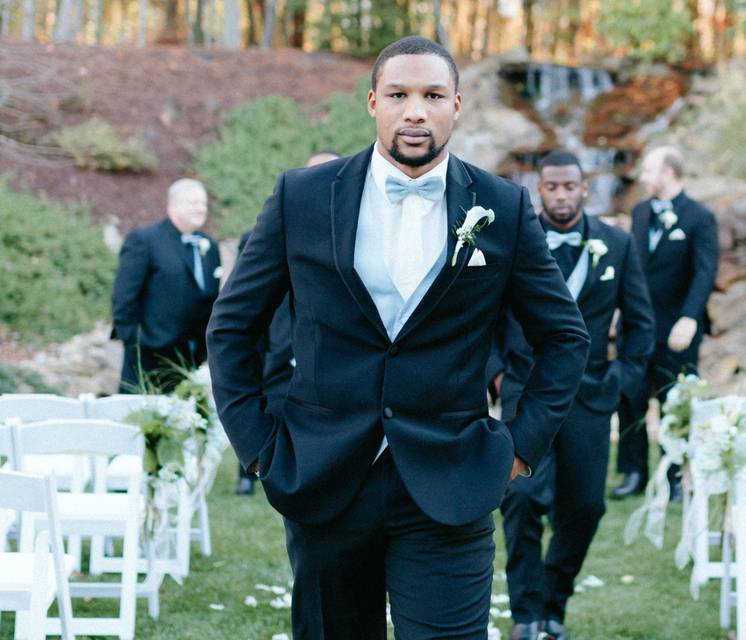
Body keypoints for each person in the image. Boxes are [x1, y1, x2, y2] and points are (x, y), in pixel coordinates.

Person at [206, 36, 589, 640]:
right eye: (399, 95)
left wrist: (519, 447)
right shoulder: (301, 196)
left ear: (456, 105)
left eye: (433, 95)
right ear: (373, 103)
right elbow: (232, 325)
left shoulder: (503, 207)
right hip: (324, 476)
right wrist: (257, 445)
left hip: (452, 478)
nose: (416, 110)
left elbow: (565, 337)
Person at [492, 150, 654, 640]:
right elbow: (484, 317)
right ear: (538, 189)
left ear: (585, 189)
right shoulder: (515, 242)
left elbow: (641, 324)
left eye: (569, 186)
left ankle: (553, 605)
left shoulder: (617, 245)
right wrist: (496, 375)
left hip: (590, 396)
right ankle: (525, 615)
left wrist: (621, 381)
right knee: (519, 500)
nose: (560, 195)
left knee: (586, 507)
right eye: (551, 187)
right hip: (526, 392)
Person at [611, 145, 719, 501]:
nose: (642, 178)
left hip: (677, 329)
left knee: (677, 402)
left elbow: (705, 273)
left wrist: (690, 317)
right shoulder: (640, 212)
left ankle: (676, 476)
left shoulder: (699, 217)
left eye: (648, 171)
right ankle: (633, 473)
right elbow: (630, 267)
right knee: (630, 399)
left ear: (668, 173)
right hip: (636, 326)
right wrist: (615, 310)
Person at [234, 150, 340, 496]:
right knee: (271, 402)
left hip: (334, 350)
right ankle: (250, 473)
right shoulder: (265, 230)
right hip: (278, 336)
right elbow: (242, 306)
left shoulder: (359, 231)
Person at [111, 178, 221, 392]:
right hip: (149, 355)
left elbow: (210, 299)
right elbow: (124, 297)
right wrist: (134, 342)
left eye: (204, 204)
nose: (201, 209)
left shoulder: (210, 247)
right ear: (173, 205)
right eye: (193, 203)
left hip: (192, 357)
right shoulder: (145, 241)